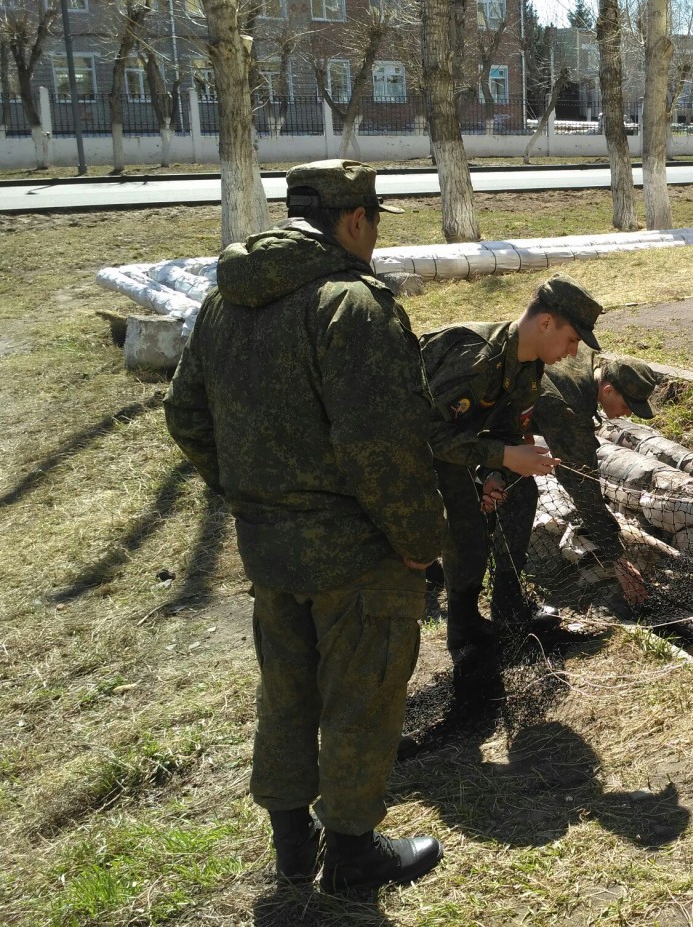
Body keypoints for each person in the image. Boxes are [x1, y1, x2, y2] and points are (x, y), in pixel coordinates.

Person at [163, 159, 447, 892]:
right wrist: (420, 544)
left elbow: (185, 413)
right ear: (355, 220)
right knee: (363, 697)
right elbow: (382, 448)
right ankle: (351, 855)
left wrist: (252, 492)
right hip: (356, 556)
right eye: (376, 221)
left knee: (285, 694)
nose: (376, 236)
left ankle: (294, 847)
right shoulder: (349, 305)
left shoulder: (225, 304)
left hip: (270, 547)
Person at [418, 275, 603, 691]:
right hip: (410, 456)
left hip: (457, 449)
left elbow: (504, 429)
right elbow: (423, 435)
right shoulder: (477, 356)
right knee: (464, 527)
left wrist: (498, 473)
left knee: (520, 492)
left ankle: (508, 607)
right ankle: (463, 631)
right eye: (572, 339)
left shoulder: (528, 367)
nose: (573, 351)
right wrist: (499, 459)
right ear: (546, 323)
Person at [532, 351, 660, 607]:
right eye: (627, 406)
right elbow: (582, 487)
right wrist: (618, 559)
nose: (628, 415)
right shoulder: (570, 409)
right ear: (609, 389)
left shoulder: (581, 363)